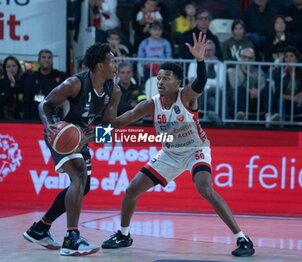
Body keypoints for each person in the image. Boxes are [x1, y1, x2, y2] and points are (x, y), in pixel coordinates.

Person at [101, 32, 255, 257]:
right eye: (159, 78)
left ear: (178, 82)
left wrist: (200, 61)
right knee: (131, 190)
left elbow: (200, 82)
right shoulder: (151, 104)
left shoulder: (186, 96)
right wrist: (95, 136)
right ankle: (124, 234)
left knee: (204, 188)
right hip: (170, 153)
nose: (160, 82)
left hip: (196, 149)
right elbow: (118, 123)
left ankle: (242, 239)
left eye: (166, 78)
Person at [22, 43, 121, 256]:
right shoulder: (75, 84)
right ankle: (71, 238)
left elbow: (109, 128)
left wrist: (90, 137)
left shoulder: (114, 91)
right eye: (112, 61)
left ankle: (40, 228)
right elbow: (45, 105)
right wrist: (49, 127)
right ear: (100, 65)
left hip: (81, 137)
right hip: (60, 134)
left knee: (83, 187)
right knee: (78, 176)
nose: (116, 65)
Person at [23, 49, 67, 121]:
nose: (46, 60)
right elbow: (26, 102)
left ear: (52, 60)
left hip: (55, 119)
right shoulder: (31, 78)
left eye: (49, 58)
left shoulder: (61, 76)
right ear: (39, 60)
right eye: (43, 57)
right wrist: (26, 120)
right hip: (35, 119)